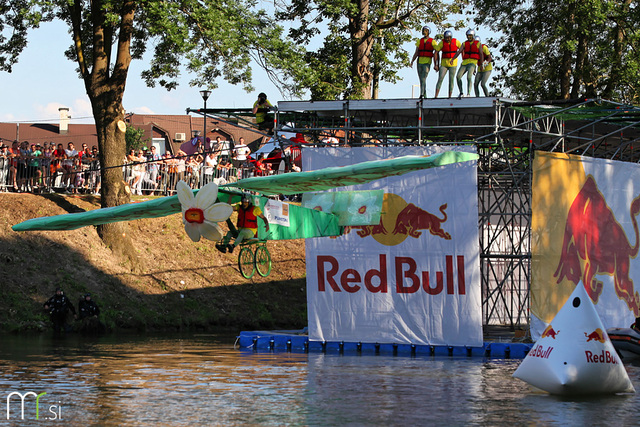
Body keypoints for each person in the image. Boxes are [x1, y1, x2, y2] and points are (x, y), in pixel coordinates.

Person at [452, 29, 484, 98]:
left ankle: (468, 93)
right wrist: (453, 59)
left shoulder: (478, 44)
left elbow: (481, 54)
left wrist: (481, 64)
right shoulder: (464, 43)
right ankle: (461, 92)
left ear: (473, 36)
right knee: (458, 77)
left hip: (472, 63)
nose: (469, 37)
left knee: (469, 77)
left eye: (470, 36)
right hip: (464, 63)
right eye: (468, 36)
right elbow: (459, 51)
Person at [410, 26, 436, 98]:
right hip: (419, 62)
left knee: (423, 78)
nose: (424, 32)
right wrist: (412, 61)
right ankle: (425, 95)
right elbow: (416, 52)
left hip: (427, 62)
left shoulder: (432, 41)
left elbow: (436, 51)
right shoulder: (419, 41)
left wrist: (436, 64)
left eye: (426, 31)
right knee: (421, 79)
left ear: (429, 32)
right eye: (424, 30)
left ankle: (421, 94)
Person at [434, 30, 461, 98]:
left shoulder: (456, 42)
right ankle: (436, 95)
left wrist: (464, 59)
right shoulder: (442, 43)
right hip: (444, 64)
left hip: (453, 64)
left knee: (451, 79)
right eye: (446, 38)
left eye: (449, 38)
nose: (447, 39)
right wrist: (436, 64)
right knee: (440, 78)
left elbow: (462, 49)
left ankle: (449, 96)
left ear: (451, 37)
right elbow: (436, 52)